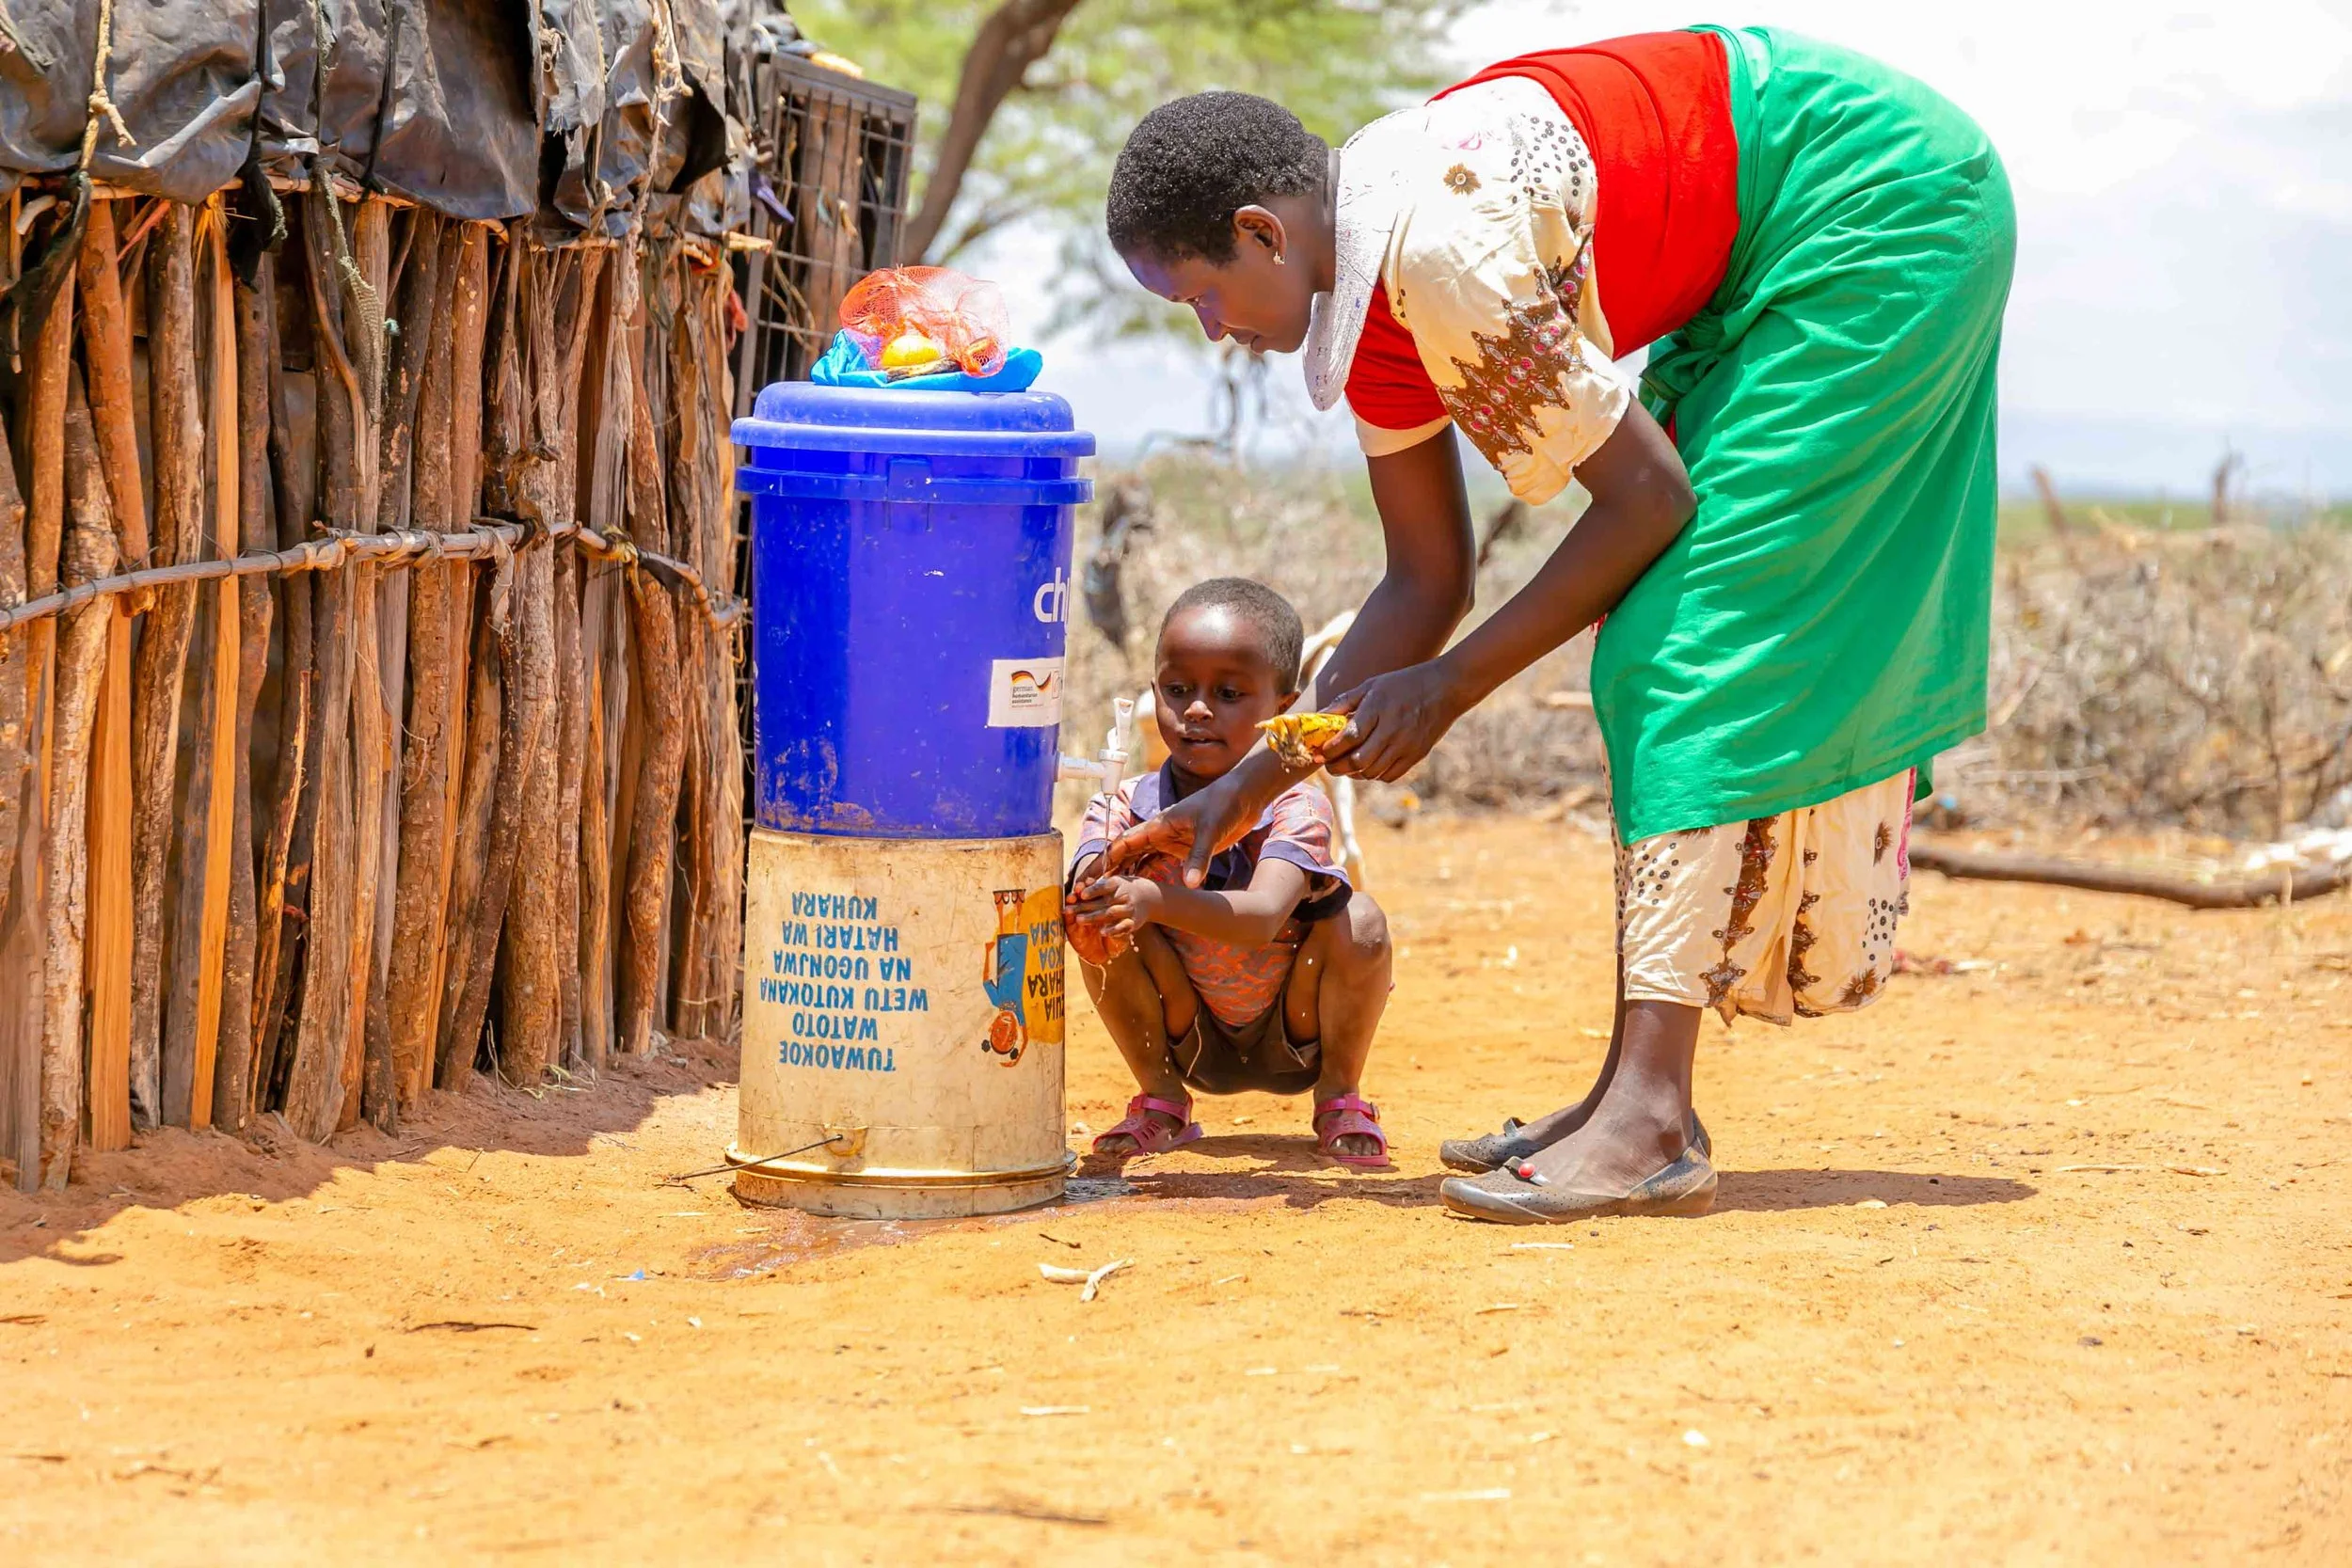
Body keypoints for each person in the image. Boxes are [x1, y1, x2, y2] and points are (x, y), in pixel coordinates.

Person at [1098, 27, 2013, 1222]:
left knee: (1674, 649)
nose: (1211, 327)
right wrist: (1229, 798)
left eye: (1203, 293)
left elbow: (1647, 501)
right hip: (1768, 248)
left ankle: (1644, 1119)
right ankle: (1637, 1099)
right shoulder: (1369, 298)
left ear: (1264, 233)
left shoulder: (1435, 252)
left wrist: (1449, 687)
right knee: (1655, 633)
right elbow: (1424, 581)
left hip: (1879, 205)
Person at [1066, 578, 1394, 1168]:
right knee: (1104, 918)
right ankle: (1162, 1100)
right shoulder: (1122, 807)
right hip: (1186, 1037)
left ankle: (1340, 1096)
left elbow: (1264, 918)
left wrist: (1151, 895)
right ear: (1153, 692)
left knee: (1361, 919)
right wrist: (1102, 881)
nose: (1195, 708)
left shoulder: (1296, 806)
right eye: (1177, 689)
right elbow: (1088, 895)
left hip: (1296, 1036)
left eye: (1228, 692)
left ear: (1283, 709)